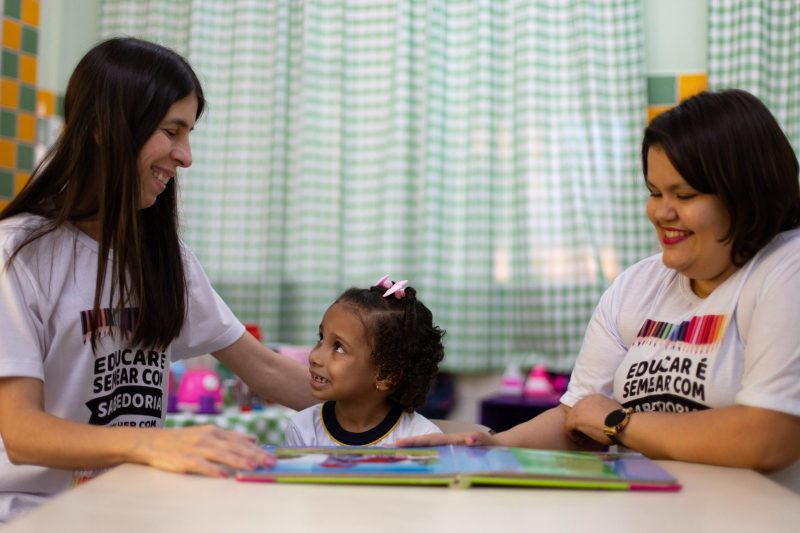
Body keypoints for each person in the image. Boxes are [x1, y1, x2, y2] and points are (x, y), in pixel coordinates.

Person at [399, 89, 800, 481]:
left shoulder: (785, 269)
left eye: (685, 194)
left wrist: (617, 422)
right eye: (655, 192)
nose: (661, 212)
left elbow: (770, 435)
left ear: (747, 195)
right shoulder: (637, 285)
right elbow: (575, 420)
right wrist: (489, 448)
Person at [0, 37, 316, 523]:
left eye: (188, 134)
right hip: (32, 515)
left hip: (128, 508)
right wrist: (157, 443)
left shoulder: (165, 258)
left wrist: (402, 421)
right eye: (172, 131)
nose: (185, 156)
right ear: (108, 128)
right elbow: (21, 434)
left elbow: (269, 371)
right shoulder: (17, 253)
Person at [284, 276, 445, 446]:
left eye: (339, 347)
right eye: (321, 338)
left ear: (385, 375)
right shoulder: (303, 429)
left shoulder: (420, 437)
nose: (314, 357)